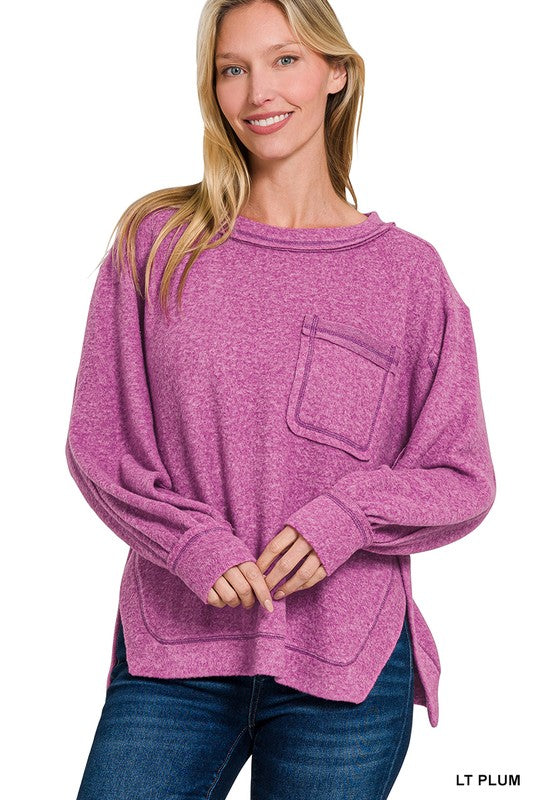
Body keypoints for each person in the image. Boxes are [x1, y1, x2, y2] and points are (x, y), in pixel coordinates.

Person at [66, 1, 497, 798]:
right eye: (232, 69)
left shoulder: (408, 276)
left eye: (285, 59)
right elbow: (102, 446)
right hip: (176, 652)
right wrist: (191, 543)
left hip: (344, 663)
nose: (257, 90)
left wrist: (348, 515)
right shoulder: (157, 243)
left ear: (336, 72)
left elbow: (461, 477)